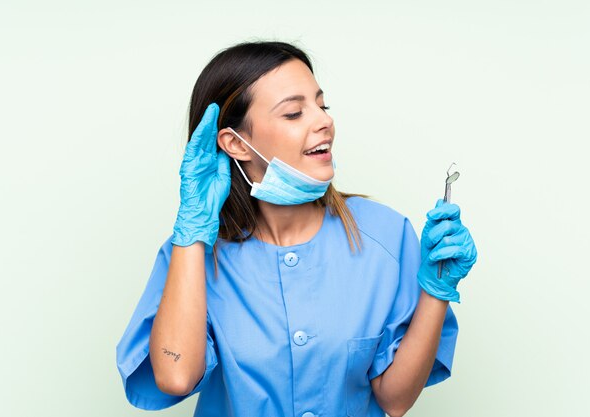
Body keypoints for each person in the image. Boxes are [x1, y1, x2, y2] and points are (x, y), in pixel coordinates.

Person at [116, 41, 477, 417]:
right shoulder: (192, 257)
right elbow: (175, 377)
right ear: (235, 144)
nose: (324, 121)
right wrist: (192, 231)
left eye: (322, 106)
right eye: (293, 113)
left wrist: (437, 291)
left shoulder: (386, 235)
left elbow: (395, 399)